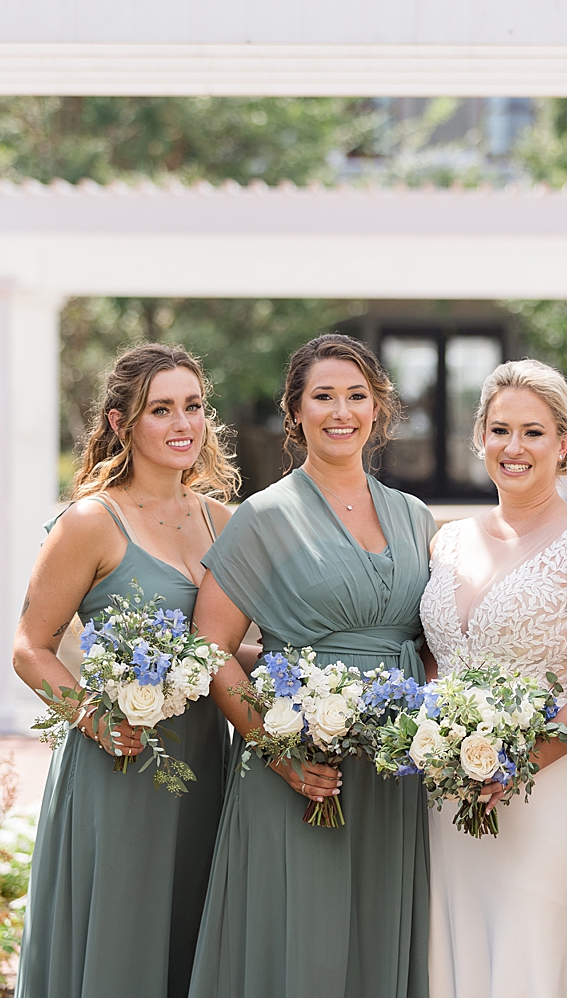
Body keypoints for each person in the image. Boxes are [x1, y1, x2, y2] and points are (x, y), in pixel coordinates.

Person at [187, 333, 434, 998]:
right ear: (294, 411)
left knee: (373, 944)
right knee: (303, 949)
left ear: (379, 407)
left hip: (391, 774)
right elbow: (210, 649)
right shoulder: (263, 518)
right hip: (300, 774)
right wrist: (278, 751)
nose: (340, 411)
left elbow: (435, 640)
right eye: (322, 396)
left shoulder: (414, 518)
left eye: (356, 395)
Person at [13, 343, 242, 998]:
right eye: (161, 409)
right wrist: (95, 718)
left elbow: (227, 647)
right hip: (119, 765)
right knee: (121, 942)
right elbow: (31, 646)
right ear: (121, 423)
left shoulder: (223, 523)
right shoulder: (90, 522)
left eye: (193, 407)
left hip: (201, 764)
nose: (183, 425)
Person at [420, 360, 567, 998]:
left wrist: (519, 760)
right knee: (452, 952)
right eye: (500, 430)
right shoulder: (448, 541)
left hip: (554, 791)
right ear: (480, 438)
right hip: (449, 792)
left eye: (534, 433)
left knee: (533, 959)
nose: (514, 448)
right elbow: (434, 662)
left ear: (564, 444)